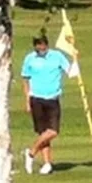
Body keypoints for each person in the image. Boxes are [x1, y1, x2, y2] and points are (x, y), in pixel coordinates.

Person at [20, 32, 77, 174]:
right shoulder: (30, 59)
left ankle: (31, 153)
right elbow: (25, 80)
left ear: (46, 44)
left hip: (53, 98)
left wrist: (75, 60)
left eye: (42, 45)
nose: (40, 48)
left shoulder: (57, 56)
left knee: (53, 131)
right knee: (43, 131)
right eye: (37, 46)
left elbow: (70, 71)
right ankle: (47, 163)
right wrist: (27, 100)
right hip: (36, 98)